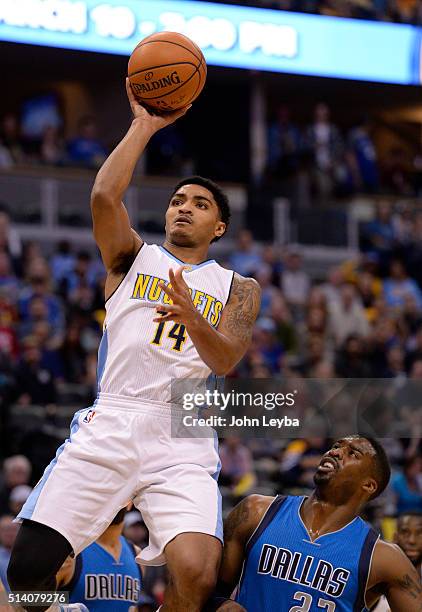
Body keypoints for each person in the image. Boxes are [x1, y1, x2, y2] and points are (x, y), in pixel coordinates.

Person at [8, 79, 261, 612]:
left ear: (221, 226)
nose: (183, 208)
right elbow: (104, 195)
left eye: (199, 203)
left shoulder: (239, 288)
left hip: (182, 434)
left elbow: (225, 359)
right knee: (28, 575)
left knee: (196, 573)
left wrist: (194, 316)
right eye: (176, 200)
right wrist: (144, 124)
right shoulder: (130, 257)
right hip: (116, 419)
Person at [211, 437, 422, 610]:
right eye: (336, 446)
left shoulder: (383, 558)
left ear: (369, 485)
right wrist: (223, 604)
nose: (336, 452)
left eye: (353, 453)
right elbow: (209, 592)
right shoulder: (255, 511)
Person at [56, 507, 145, 611]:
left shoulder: (137, 554)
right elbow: (33, 599)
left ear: (129, 503)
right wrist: (62, 607)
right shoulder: (71, 552)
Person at [372, 510, 422, 611]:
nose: (412, 540)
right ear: (395, 537)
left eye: (419, 533)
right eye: (405, 532)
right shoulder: (376, 576)